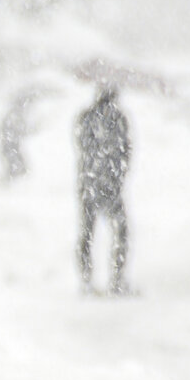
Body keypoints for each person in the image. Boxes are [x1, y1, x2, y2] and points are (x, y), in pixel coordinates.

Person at [75, 85, 131, 295]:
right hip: (108, 186)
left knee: (87, 233)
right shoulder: (117, 119)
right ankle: (116, 279)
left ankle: (87, 280)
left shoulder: (86, 118)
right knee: (120, 232)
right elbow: (125, 151)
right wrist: (117, 176)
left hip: (89, 184)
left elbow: (83, 147)